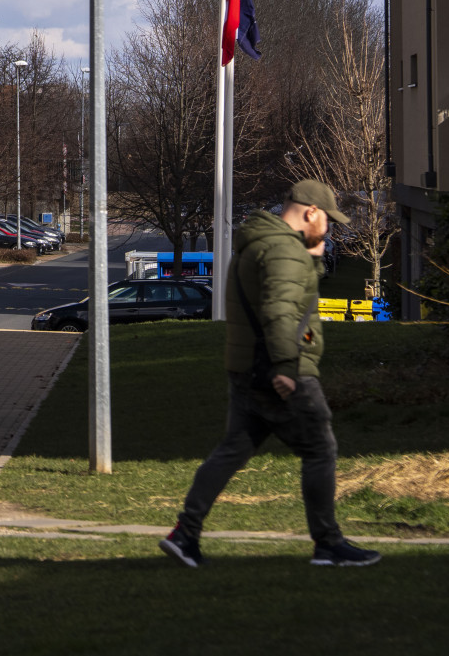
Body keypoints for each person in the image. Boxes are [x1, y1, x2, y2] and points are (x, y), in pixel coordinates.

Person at [160, 180, 383, 569]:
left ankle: (185, 535)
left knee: (232, 450)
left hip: (247, 367)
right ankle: (328, 544)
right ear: (311, 211)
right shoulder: (283, 251)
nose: (329, 228)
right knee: (320, 448)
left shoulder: (267, 242)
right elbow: (281, 312)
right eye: (328, 219)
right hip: (281, 369)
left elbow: (299, 298)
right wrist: (287, 368)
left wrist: (313, 257)